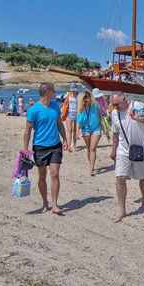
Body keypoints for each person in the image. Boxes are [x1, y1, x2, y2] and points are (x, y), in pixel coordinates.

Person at [109, 92, 144, 223]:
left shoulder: (137, 106)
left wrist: (139, 118)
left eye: (117, 104)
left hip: (141, 149)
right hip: (123, 151)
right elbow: (115, 134)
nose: (115, 107)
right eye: (113, 105)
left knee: (142, 177)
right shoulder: (114, 114)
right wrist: (113, 150)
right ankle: (122, 210)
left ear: (124, 100)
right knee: (120, 178)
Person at [23, 82, 68, 215]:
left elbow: (59, 124)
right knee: (42, 175)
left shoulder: (55, 106)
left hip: (55, 145)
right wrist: (26, 148)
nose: (55, 93)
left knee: (54, 174)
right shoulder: (34, 109)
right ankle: (45, 203)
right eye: (54, 91)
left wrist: (65, 139)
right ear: (48, 92)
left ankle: (54, 204)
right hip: (40, 146)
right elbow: (28, 130)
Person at [76, 90, 109, 176]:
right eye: (86, 99)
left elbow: (100, 117)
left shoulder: (95, 105)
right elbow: (78, 121)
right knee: (88, 149)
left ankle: (91, 168)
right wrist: (77, 132)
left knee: (93, 148)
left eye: (89, 99)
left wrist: (105, 127)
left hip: (96, 129)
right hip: (85, 129)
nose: (88, 101)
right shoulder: (81, 107)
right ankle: (91, 163)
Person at [61, 82, 80, 152]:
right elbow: (64, 102)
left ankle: (74, 145)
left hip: (77, 114)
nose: (72, 91)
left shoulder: (79, 96)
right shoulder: (68, 95)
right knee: (69, 130)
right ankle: (68, 145)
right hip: (69, 114)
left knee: (75, 130)